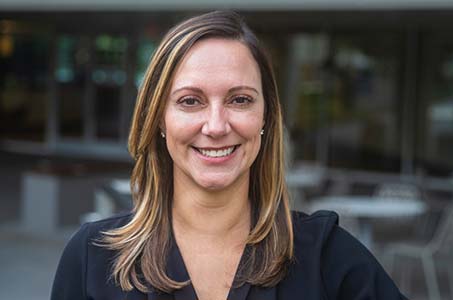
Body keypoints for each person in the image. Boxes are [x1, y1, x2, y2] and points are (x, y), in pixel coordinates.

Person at [51, 11, 408, 300]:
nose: (217, 125)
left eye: (240, 99)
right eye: (190, 101)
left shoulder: (328, 259)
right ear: (159, 119)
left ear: (266, 116)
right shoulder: (92, 258)